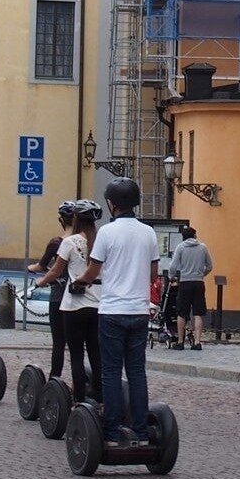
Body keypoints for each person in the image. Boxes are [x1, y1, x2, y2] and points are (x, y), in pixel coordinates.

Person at [72, 178, 158, 444]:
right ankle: (142, 432)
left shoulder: (107, 233)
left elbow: (94, 269)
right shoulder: (148, 232)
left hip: (112, 311)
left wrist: (80, 282)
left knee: (110, 372)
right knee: (136, 372)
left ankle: (111, 432)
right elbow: (153, 274)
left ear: (112, 204)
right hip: (139, 311)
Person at [40, 199, 103, 404]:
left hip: (74, 306)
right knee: (95, 353)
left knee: (76, 355)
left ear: (76, 218)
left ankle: (79, 400)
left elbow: (56, 271)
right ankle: (100, 398)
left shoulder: (70, 242)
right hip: (97, 305)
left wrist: (41, 282)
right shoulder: (101, 241)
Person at [29, 201, 75, 379]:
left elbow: (42, 266)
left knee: (59, 343)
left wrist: (34, 271)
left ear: (61, 220)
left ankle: (54, 378)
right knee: (77, 344)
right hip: (81, 297)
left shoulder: (58, 243)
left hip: (59, 295)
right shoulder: (86, 242)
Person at [168, 226, 213, 350]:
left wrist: (172, 277)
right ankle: (198, 342)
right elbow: (210, 266)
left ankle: (181, 341)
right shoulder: (203, 247)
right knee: (198, 313)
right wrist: (201, 274)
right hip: (198, 283)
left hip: (184, 282)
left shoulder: (180, 247)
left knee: (181, 312)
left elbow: (173, 266)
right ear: (194, 236)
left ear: (183, 237)